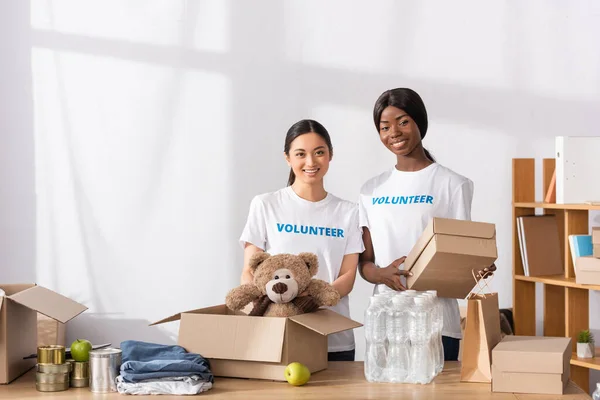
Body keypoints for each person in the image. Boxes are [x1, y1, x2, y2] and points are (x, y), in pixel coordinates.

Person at [357, 88, 473, 361]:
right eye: (385, 127)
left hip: (437, 322)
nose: (394, 132)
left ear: (420, 122)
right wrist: (382, 275)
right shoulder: (370, 190)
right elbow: (365, 263)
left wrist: (473, 268)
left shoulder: (453, 184)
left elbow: (462, 259)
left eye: (403, 121)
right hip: (387, 324)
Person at [239, 119, 364, 361]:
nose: (310, 162)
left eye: (319, 153)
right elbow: (249, 271)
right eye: (300, 154)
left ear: (330, 155)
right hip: (280, 337)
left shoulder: (349, 212)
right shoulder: (265, 205)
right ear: (287, 158)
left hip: (334, 340)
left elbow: (347, 278)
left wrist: (310, 299)